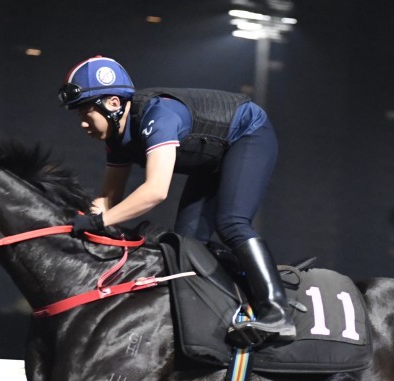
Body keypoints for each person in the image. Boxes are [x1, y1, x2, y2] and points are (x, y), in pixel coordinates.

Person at [58, 55, 296, 345]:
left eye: (85, 113)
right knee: (187, 244)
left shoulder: (157, 116)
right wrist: (72, 225)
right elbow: (107, 200)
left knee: (232, 222)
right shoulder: (116, 138)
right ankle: (232, 297)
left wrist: (100, 221)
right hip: (213, 156)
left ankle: (278, 312)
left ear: (113, 104)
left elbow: (157, 190)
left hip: (248, 135)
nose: (82, 124)